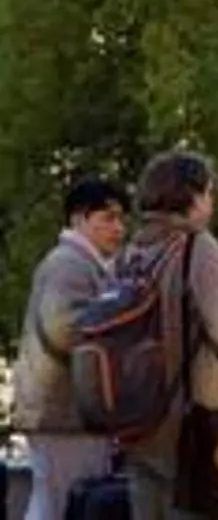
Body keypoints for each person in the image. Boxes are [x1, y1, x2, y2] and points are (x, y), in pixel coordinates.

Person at [123, 151, 218, 520]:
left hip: (141, 423)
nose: (212, 203)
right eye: (209, 193)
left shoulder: (133, 253)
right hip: (197, 422)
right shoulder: (198, 249)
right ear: (192, 197)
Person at [11, 177, 130, 520]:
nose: (118, 228)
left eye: (121, 219)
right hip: (64, 413)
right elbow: (64, 329)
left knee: (56, 503)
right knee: (60, 505)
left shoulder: (86, 264)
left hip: (65, 415)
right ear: (79, 219)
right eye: (108, 218)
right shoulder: (69, 264)